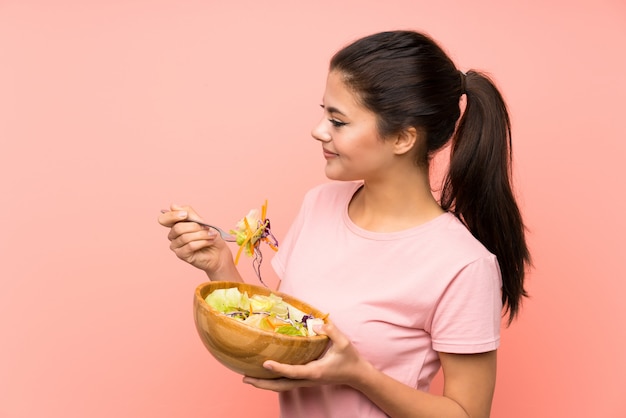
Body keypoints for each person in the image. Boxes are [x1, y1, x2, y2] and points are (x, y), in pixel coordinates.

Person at [159, 30, 530, 418]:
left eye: (338, 121)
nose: (318, 130)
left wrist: (360, 375)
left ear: (403, 137)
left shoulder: (463, 265)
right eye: (323, 112)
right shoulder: (320, 203)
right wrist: (218, 264)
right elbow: (284, 331)